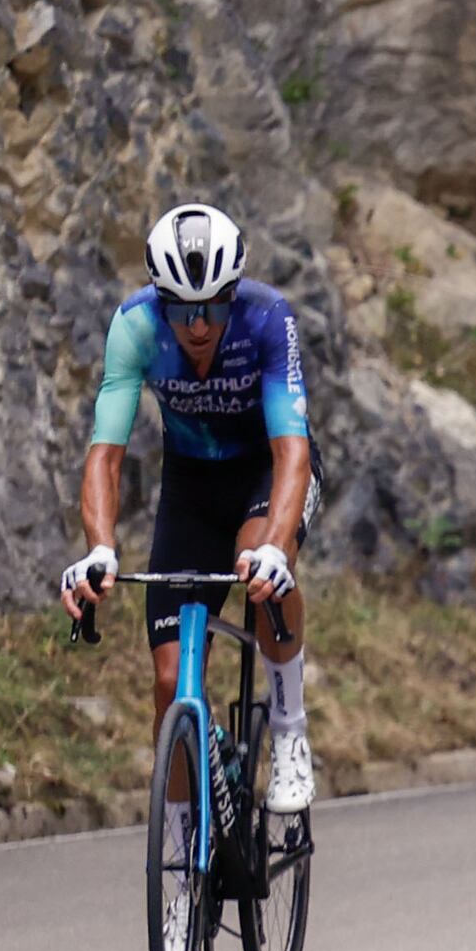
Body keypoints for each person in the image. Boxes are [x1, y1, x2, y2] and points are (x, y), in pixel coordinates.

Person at [61, 203, 319, 813]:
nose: (198, 325)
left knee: (259, 567)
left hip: (264, 470)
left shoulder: (266, 317)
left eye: (212, 306)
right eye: (180, 308)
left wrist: (277, 549)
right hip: (191, 485)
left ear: (234, 292)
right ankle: (182, 875)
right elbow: (105, 454)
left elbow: (292, 451)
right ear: (159, 300)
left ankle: (288, 731)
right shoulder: (135, 327)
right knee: (168, 683)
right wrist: (100, 546)